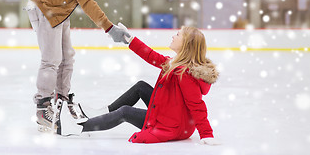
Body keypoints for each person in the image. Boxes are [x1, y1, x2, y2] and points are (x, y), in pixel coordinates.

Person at [25, 0, 129, 132]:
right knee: (51, 59)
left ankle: (60, 99)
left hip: (59, 6)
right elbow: (86, 0)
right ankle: (43, 108)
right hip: (45, 4)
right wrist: (109, 28)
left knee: (67, 56)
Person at [57, 26, 221, 145]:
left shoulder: (184, 74)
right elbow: (151, 56)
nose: (173, 36)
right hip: (173, 117)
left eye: (178, 35)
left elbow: (196, 105)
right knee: (141, 87)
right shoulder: (174, 64)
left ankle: (77, 128)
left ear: (186, 44)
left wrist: (207, 134)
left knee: (125, 112)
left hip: (172, 126)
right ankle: (103, 112)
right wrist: (129, 39)